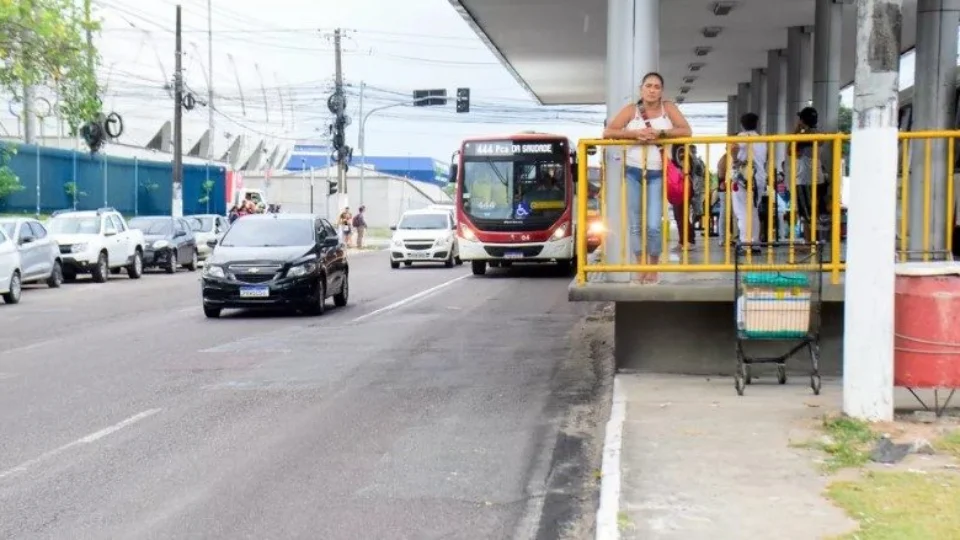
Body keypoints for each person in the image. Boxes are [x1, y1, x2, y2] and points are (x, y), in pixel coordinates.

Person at [603, 72, 693, 284]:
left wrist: (660, 134)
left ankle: (654, 266)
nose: (652, 90)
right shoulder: (631, 110)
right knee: (635, 223)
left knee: (653, 223)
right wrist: (636, 134)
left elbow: (686, 130)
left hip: (657, 171)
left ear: (662, 91)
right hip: (633, 170)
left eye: (657, 86)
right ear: (641, 89)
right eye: (649, 86)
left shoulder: (668, 108)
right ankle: (639, 266)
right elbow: (608, 132)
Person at [729, 112, 767, 254]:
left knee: (742, 211)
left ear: (742, 124)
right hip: (759, 177)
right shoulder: (762, 139)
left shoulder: (742, 137)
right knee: (754, 211)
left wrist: (735, 160)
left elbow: (733, 148)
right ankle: (755, 243)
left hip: (744, 177)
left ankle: (745, 244)